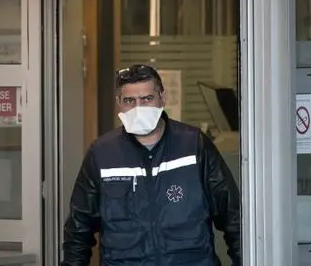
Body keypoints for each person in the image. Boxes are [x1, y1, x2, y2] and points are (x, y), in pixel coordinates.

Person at [61, 63, 241, 266]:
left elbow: (233, 218)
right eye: (130, 100)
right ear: (119, 103)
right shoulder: (102, 154)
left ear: (162, 98)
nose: (138, 108)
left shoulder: (194, 145)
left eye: (147, 99)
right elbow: (78, 231)